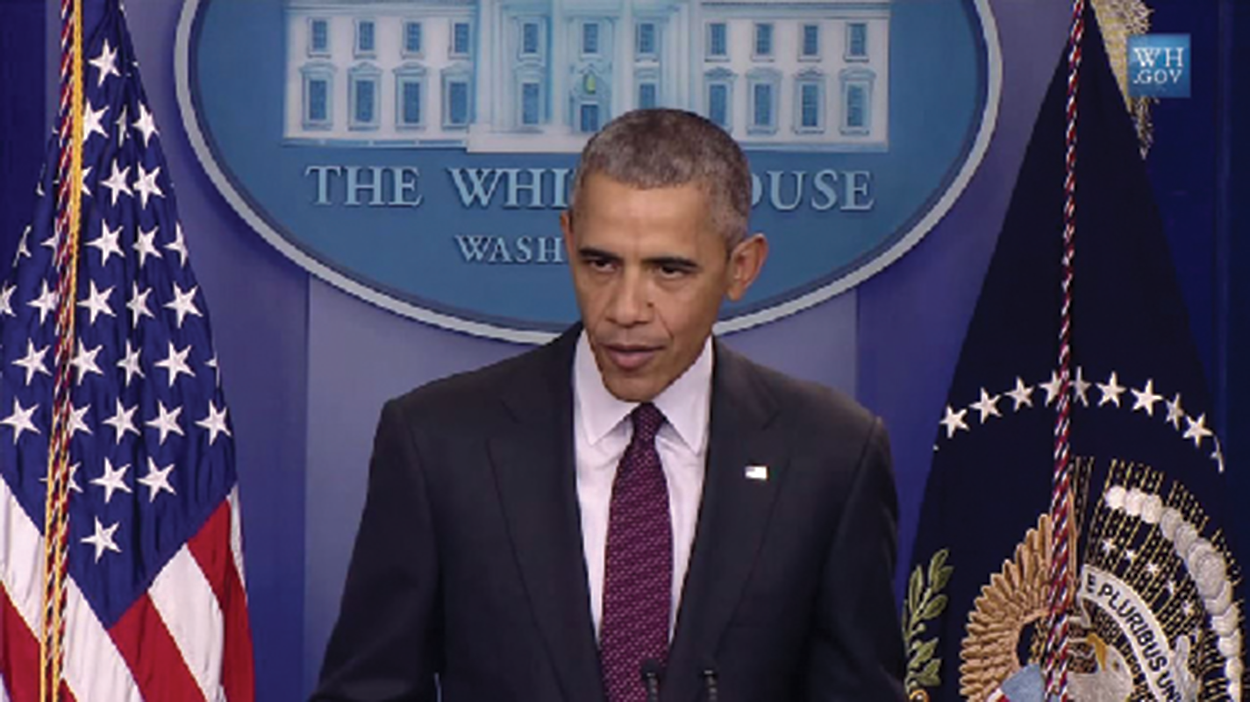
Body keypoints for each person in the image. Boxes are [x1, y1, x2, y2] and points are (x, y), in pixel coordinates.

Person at [312, 109, 906, 702]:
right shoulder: (438, 443)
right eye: (601, 263)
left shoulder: (830, 456)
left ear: (741, 267)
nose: (625, 308)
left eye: (668, 270)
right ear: (568, 240)